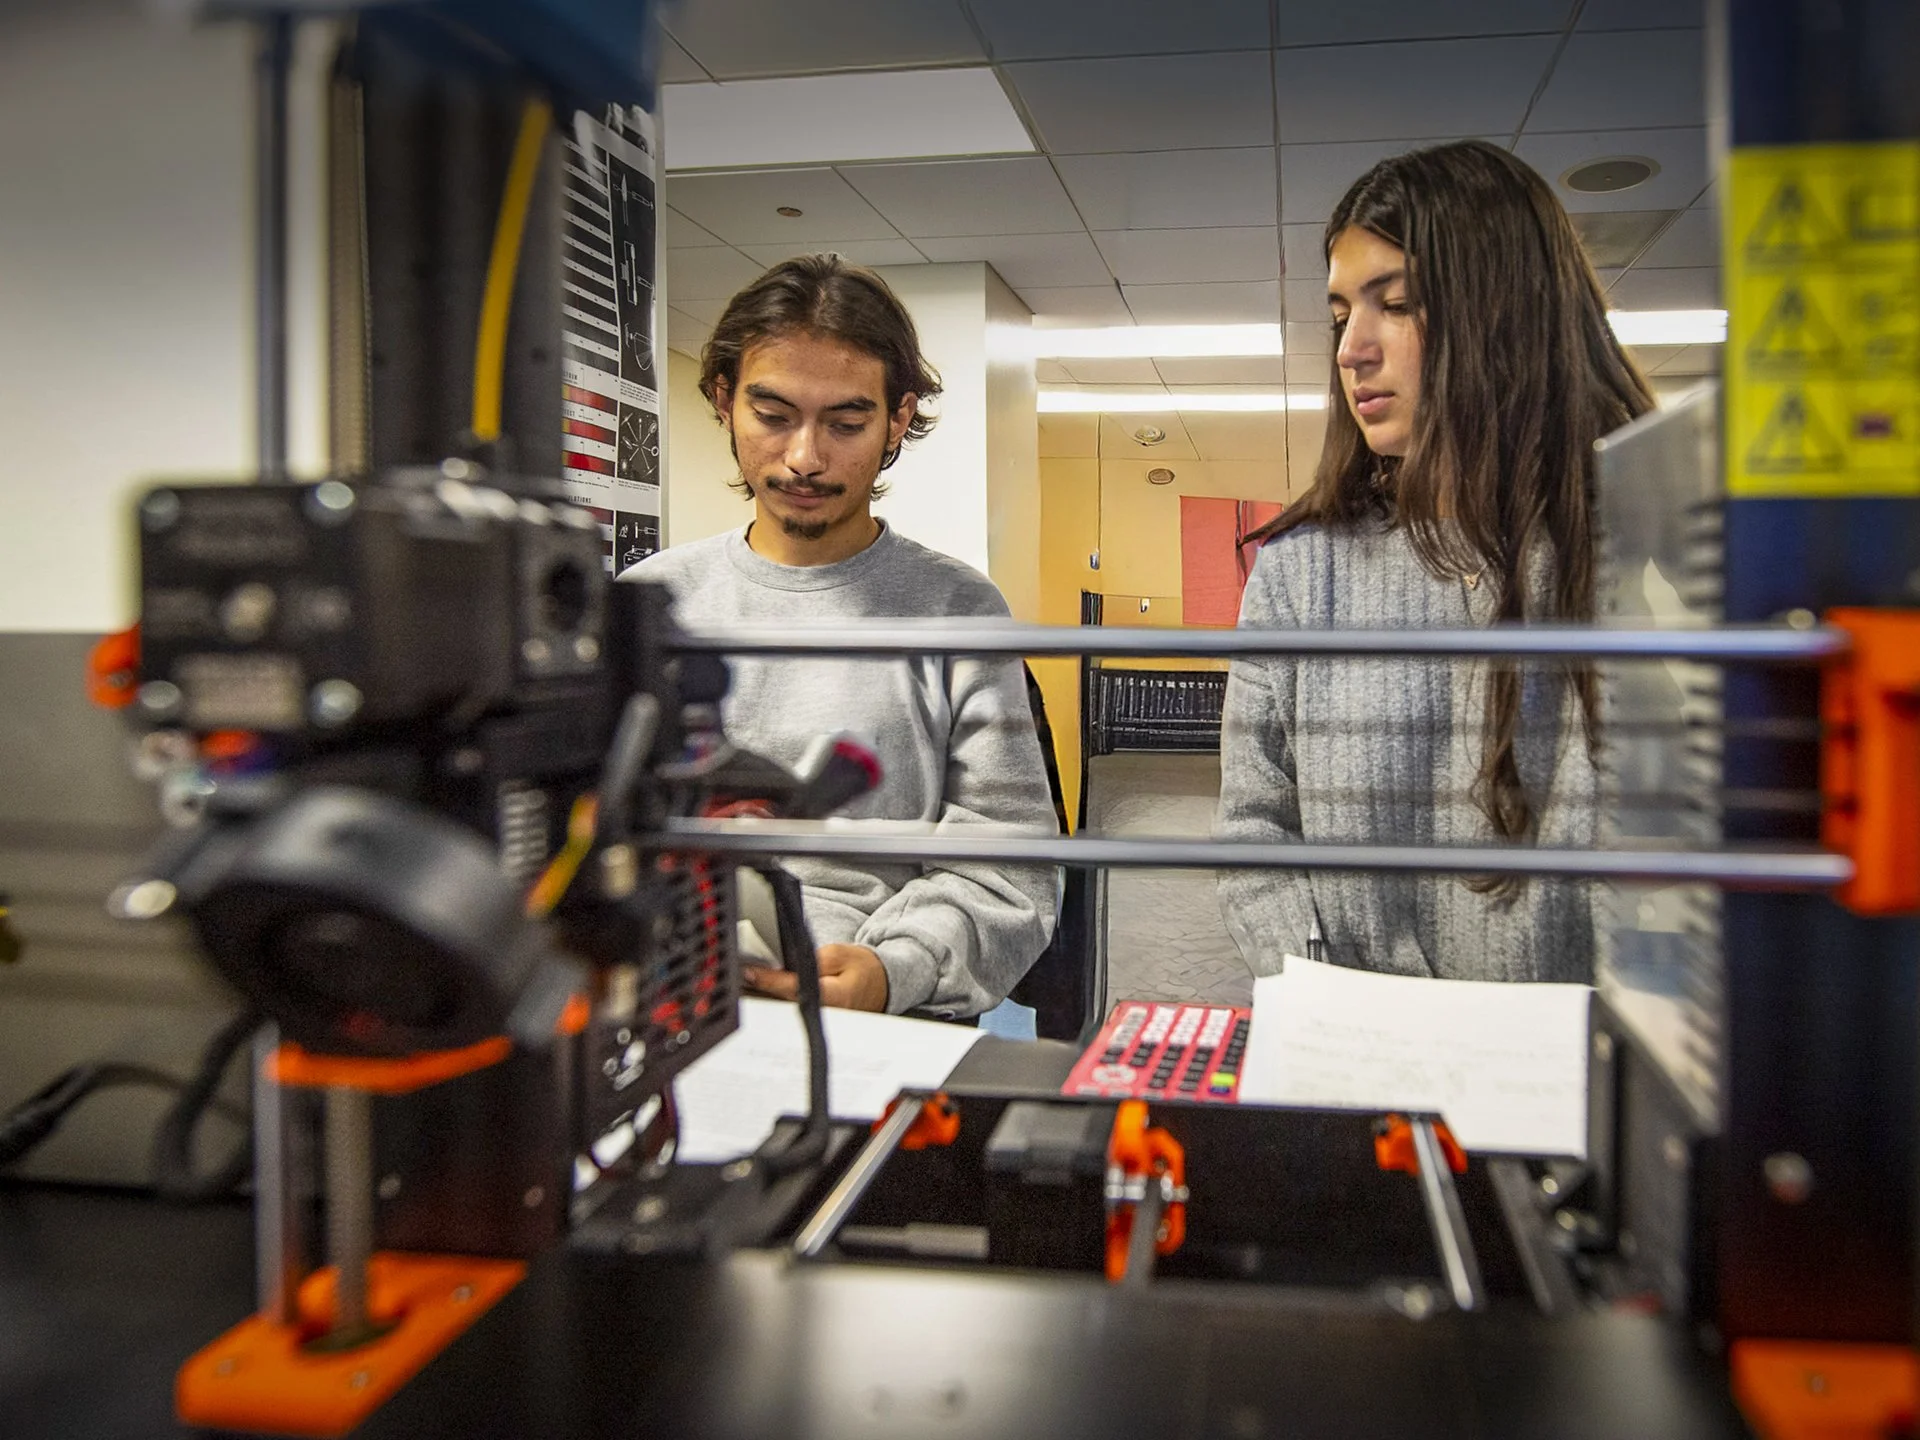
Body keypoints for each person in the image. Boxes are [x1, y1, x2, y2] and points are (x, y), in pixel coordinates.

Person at [1215, 140, 1654, 984]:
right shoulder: (1301, 576)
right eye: (1343, 314)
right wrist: (1318, 985)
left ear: (1506, 314)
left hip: (1569, 1074)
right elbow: (1253, 828)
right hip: (1353, 1050)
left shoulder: (1640, 561)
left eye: (1400, 304)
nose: (1351, 349)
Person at [635, 255, 1058, 1018]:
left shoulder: (958, 610)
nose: (805, 457)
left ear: (899, 418)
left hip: (878, 1014)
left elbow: (1010, 871)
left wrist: (893, 969)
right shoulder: (650, 606)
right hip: (676, 1001)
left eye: (846, 423)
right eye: (772, 416)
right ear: (725, 402)